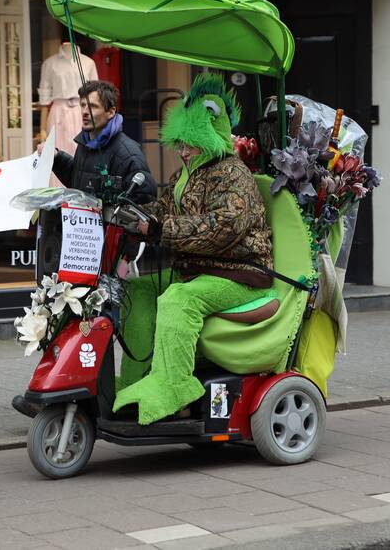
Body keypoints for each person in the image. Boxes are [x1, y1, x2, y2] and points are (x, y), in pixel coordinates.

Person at [113, 73, 274, 425]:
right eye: (181, 144)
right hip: (201, 268)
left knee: (178, 300)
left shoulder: (234, 174)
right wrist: (133, 215)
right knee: (137, 290)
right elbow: (165, 208)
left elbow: (223, 229)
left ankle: (173, 388)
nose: (183, 152)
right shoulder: (189, 174)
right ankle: (133, 382)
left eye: (191, 144)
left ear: (211, 137)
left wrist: (159, 228)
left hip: (240, 273)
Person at [46, 80, 156, 204]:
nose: (85, 112)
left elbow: (145, 200)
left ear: (111, 112)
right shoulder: (84, 143)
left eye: (92, 106)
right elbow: (80, 181)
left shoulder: (128, 153)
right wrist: (56, 158)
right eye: (82, 105)